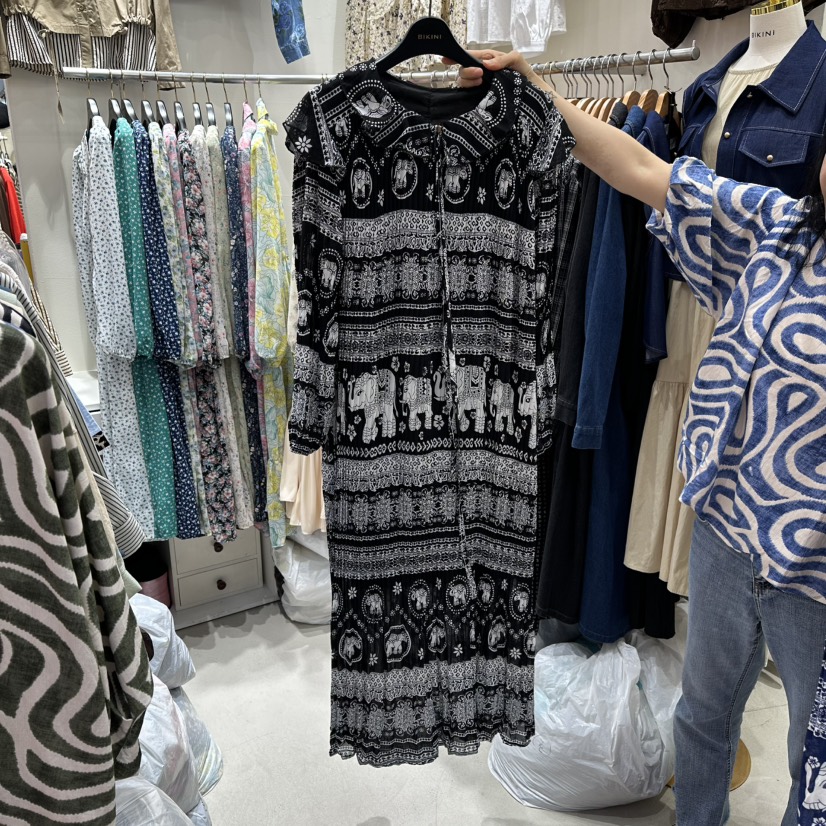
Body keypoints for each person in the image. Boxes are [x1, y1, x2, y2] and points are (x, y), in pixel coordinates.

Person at [450, 49, 826, 826]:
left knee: (812, 758)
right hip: (726, 526)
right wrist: (539, 96)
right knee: (703, 710)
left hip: (813, 573)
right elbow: (643, 170)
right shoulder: (781, 229)